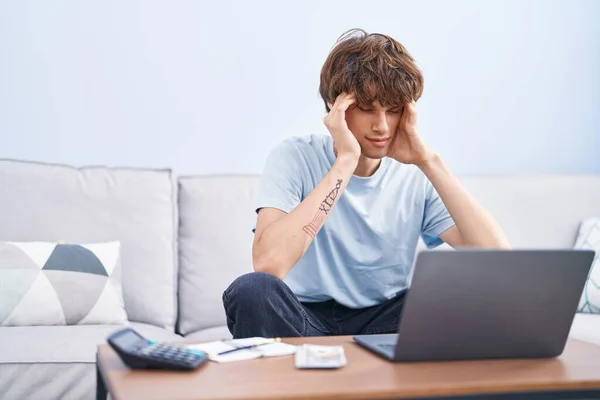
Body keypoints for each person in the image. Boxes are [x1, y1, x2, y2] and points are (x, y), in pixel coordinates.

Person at [222, 28, 510, 339]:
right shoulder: (294, 156)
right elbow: (268, 264)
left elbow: (498, 262)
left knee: (465, 287)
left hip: (388, 319)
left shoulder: (415, 172)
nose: (381, 125)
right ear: (335, 105)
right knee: (251, 290)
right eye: (367, 108)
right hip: (306, 319)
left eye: (394, 109)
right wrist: (345, 162)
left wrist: (430, 162)